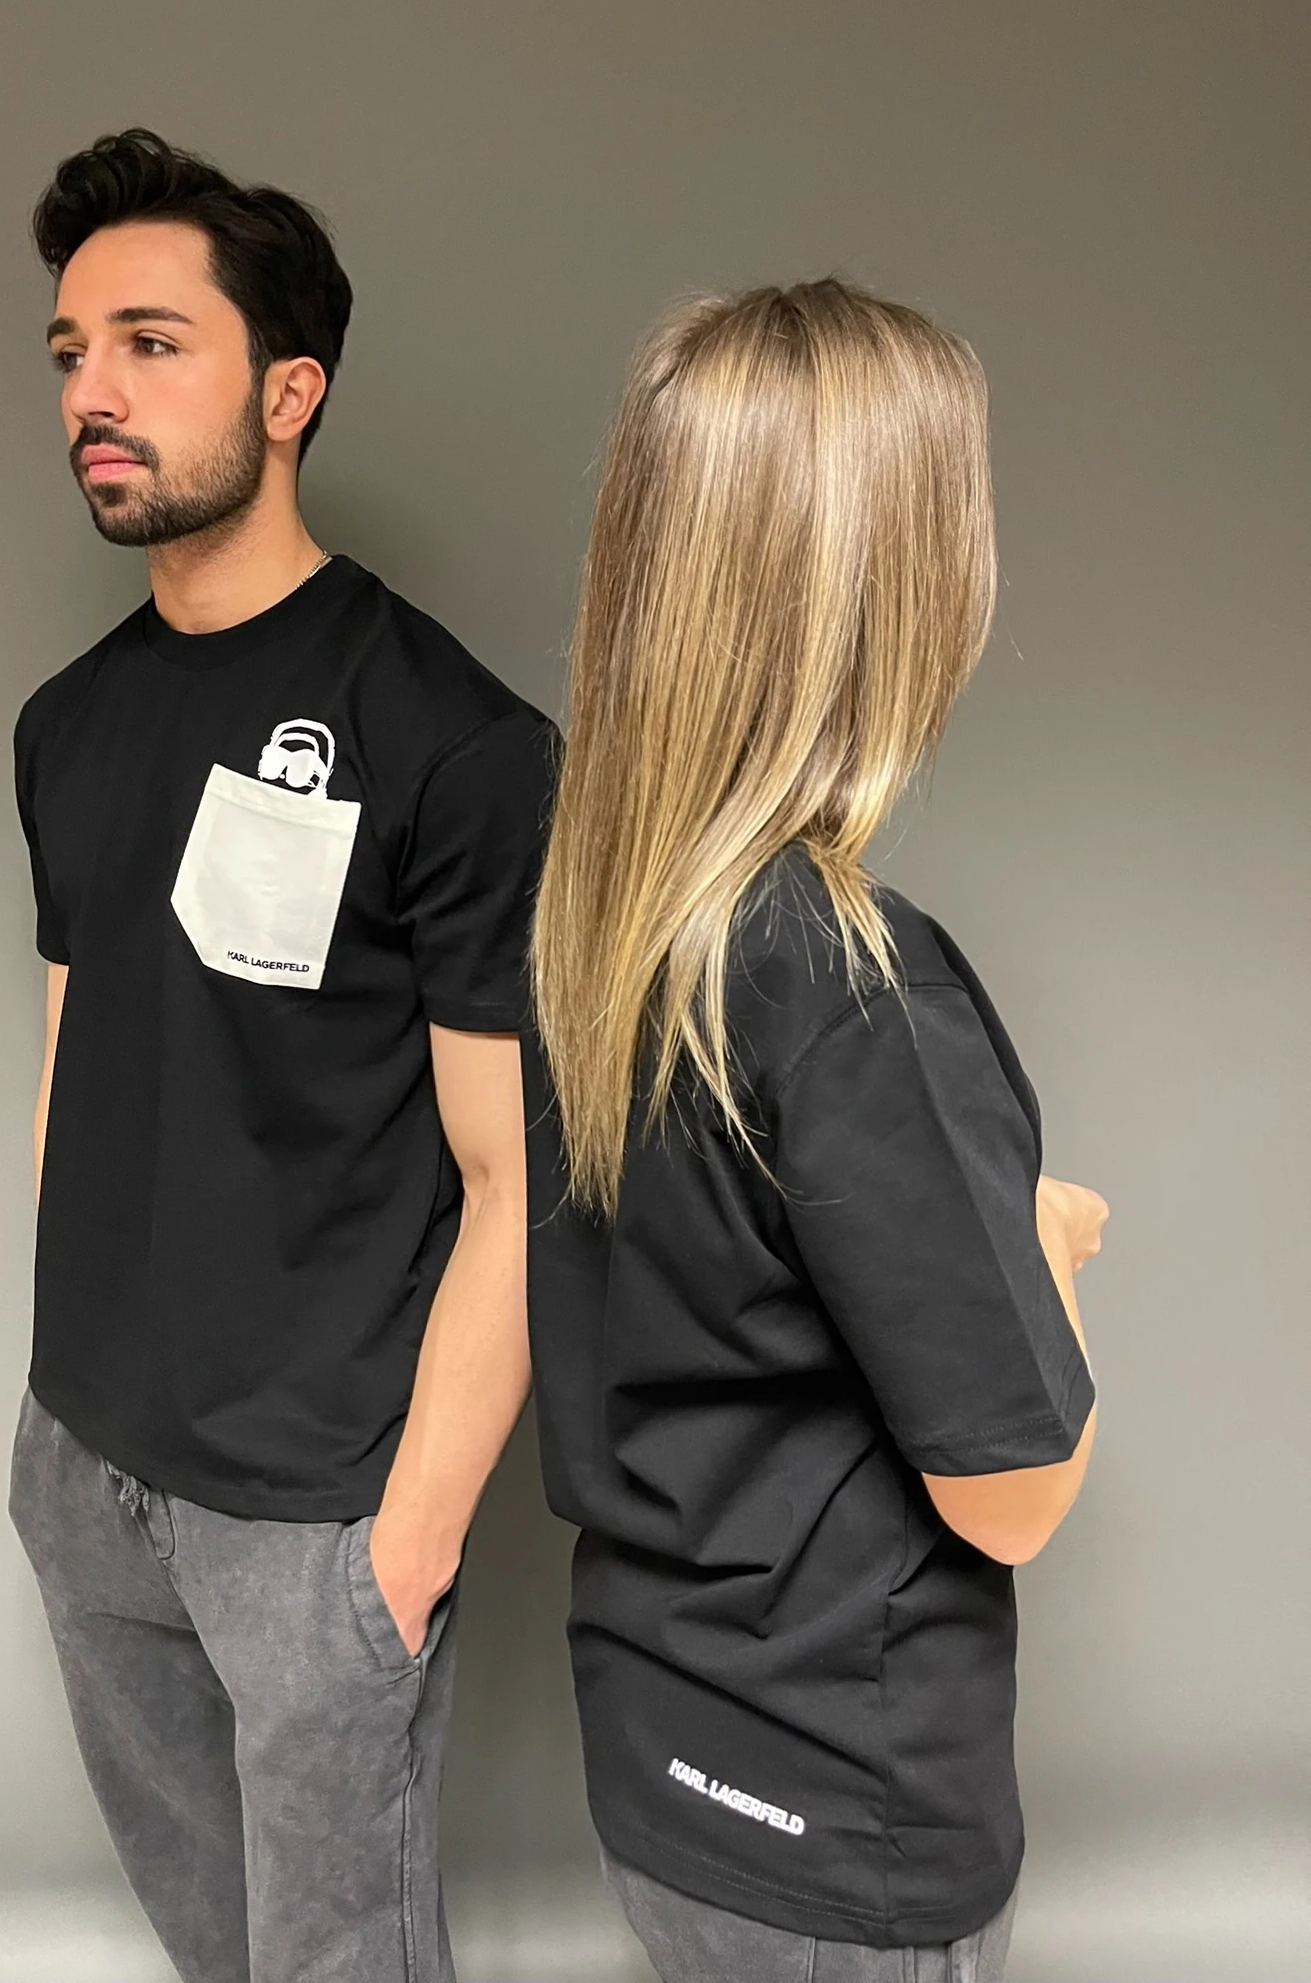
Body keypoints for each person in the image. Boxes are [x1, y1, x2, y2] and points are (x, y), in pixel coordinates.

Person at [8, 129, 554, 1983]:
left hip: (316, 1510)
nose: (93, 392)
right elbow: (78, 1069)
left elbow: (516, 1182)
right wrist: (61, 1416)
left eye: (151, 344)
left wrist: (406, 1547)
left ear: (289, 391)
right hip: (89, 1472)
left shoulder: (455, 744)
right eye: (72, 350)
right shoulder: (67, 726)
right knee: (212, 1948)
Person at [525, 280, 1107, 1983]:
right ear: (896, 585)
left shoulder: (591, 923)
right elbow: (1017, 1496)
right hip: (839, 1825)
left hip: (656, 1766)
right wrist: (1049, 1249)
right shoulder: (855, 987)